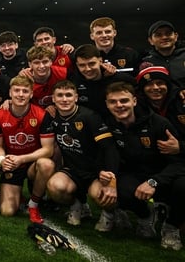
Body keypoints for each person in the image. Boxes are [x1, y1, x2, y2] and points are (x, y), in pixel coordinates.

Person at [104, 81, 185, 250]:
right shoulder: (108, 125)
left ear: (134, 101)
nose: (119, 105)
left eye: (124, 101)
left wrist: (154, 182)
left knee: (183, 186)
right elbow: (109, 154)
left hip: (164, 175)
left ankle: (172, 226)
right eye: (113, 102)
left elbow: (179, 163)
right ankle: (146, 215)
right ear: (107, 104)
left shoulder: (159, 124)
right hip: (135, 175)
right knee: (120, 189)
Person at [45, 80, 120, 227]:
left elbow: (110, 148)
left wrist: (111, 179)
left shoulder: (89, 116)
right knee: (55, 187)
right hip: (72, 170)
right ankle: (78, 205)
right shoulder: (52, 117)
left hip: (95, 172)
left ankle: (109, 213)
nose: (64, 99)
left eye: (68, 95)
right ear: (53, 99)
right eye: (60, 95)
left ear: (76, 97)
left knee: (103, 196)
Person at [0, 75, 55, 223]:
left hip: (32, 163)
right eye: (17, 90)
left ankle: (33, 205)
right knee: (7, 211)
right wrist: (2, 160)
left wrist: (22, 159)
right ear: (10, 93)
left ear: (31, 94)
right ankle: (18, 194)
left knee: (47, 164)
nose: (21, 95)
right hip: (12, 164)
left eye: (25, 91)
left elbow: (48, 150)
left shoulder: (41, 114)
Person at [69, 44, 136, 118]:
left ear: (100, 61)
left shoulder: (119, 79)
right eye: (82, 65)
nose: (87, 69)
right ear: (77, 65)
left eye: (92, 64)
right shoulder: (73, 83)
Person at [135, 66, 185, 146]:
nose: (155, 88)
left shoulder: (181, 101)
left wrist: (180, 147)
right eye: (149, 84)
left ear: (167, 85)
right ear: (142, 89)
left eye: (160, 83)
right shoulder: (138, 109)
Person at [139, 20, 185, 87]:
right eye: (158, 35)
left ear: (176, 36)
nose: (164, 37)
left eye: (168, 33)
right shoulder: (146, 63)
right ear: (151, 40)